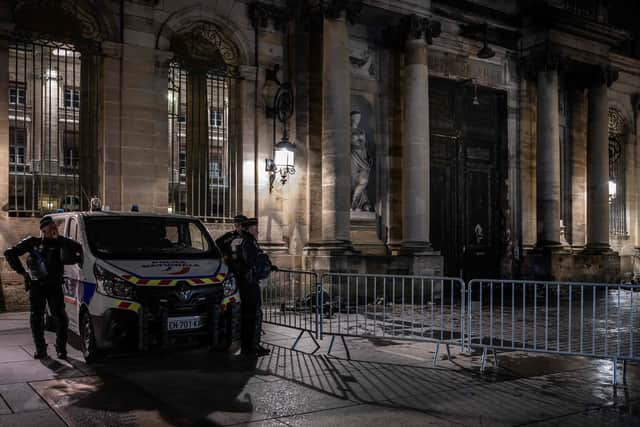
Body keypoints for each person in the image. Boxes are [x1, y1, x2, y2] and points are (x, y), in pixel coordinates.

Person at [4, 215, 83, 359]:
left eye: (55, 227)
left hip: (54, 286)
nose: (54, 228)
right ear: (43, 229)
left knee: (61, 318)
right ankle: (41, 349)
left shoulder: (60, 242)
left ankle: (61, 349)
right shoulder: (32, 243)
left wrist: (59, 238)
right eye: (51, 227)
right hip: (37, 287)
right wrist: (23, 273)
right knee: (36, 318)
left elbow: (77, 248)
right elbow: (9, 253)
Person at [230, 217, 277, 356]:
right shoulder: (249, 242)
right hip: (250, 282)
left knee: (245, 315)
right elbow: (254, 261)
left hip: (240, 281)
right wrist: (267, 264)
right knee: (254, 314)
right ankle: (253, 346)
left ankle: (246, 345)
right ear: (250, 228)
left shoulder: (236, 240)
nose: (257, 231)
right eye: (256, 228)